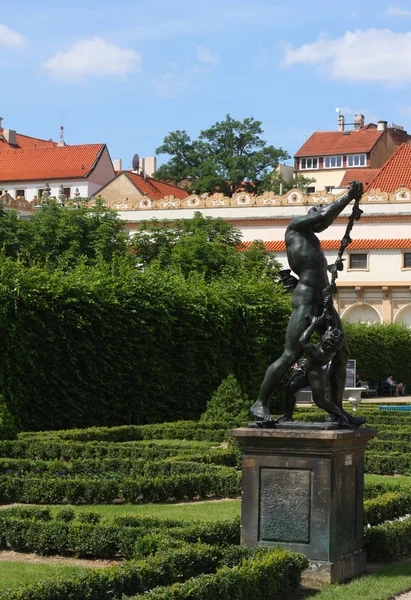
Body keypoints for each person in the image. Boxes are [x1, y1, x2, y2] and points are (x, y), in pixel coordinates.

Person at [250, 180, 363, 423]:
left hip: (323, 301)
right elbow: (324, 214)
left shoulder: (313, 241)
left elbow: (324, 223)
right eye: (316, 213)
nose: (321, 219)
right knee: (290, 354)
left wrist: (332, 266)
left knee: (342, 353)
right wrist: (348, 197)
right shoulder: (295, 226)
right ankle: (260, 403)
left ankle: (338, 413)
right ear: (309, 216)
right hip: (305, 300)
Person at [277, 314, 365, 427]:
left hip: (315, 374)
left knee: (321, 401)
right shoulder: (329, 346)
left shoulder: (321, 353)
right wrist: (325, 320)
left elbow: (302, 340)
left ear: (328, 342)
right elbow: (330, 330)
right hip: (306, 370)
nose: (327, 333)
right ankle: (287, 416)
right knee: (289, 389)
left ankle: (341, 416)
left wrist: (313, 325)